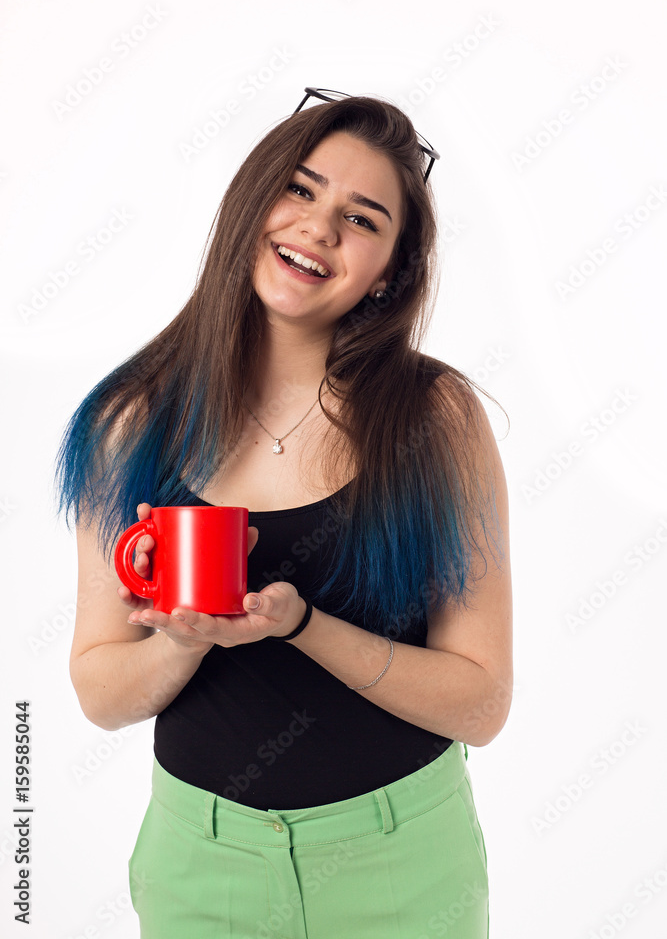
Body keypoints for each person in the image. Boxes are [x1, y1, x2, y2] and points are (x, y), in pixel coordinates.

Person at [55, 87, 512, 939]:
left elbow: (481, 705)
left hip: (402, 863)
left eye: (363, 219)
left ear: (391, 271)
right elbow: (100, 694)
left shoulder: (434, 418)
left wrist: (299, 624)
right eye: (299, 189)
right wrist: (183, 637)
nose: (318, 228)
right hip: (202, 868)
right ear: (252, 199)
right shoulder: (131, 420)